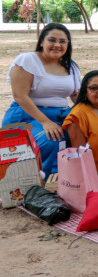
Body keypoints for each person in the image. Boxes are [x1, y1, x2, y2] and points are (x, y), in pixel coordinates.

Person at [3, 23, 81, 175]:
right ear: (41, 42)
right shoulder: (27, 60)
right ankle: (47, 182)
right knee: (52, 140)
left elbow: (76, 96)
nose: (57, 45)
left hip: (62, 114)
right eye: (52, 40)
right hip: (28, 115)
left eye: (62, 41)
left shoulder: (71, 66)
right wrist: (45, 122)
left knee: (84, 133)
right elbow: (20, 96)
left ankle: (75, 175)